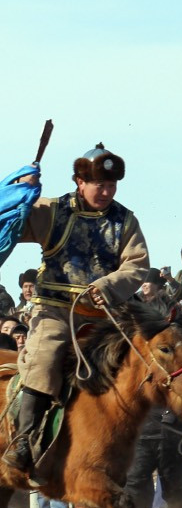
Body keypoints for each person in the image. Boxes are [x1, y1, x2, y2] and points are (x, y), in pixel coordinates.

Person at [4, 143, 150, 475]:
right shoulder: (53, 211)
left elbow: (137, 265)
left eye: (111, 184)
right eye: (99, 183)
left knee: (143, 366)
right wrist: (20, 195)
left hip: (104, 316)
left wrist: (107, 286)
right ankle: (25, 440)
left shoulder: (125, 221)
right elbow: (13, 222)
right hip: (55, 312)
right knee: (44, 358)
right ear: (79, 181)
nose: (106, 190)